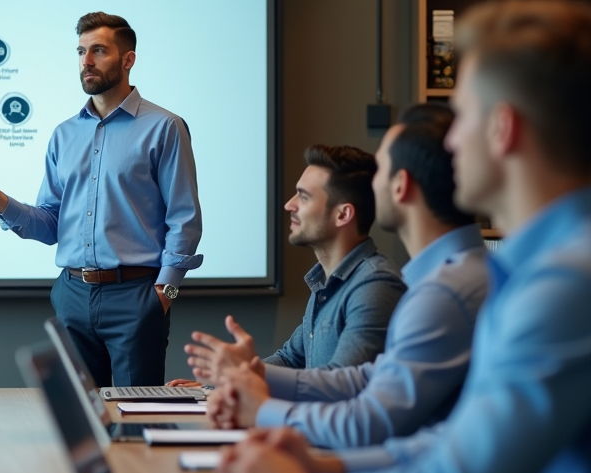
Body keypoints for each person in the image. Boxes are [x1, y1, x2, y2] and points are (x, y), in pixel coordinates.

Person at [217, 0, 591, 473]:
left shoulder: (562, 287)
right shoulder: (529, 274)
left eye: (461, 116)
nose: (451, 140)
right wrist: (325, 469)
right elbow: (454, 443)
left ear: (503, 129)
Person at [205, 105, 488, 448]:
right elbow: (365, 380)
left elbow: (368, 414)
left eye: (381, 168)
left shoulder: (435, 292)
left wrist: (261, 407)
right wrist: (243, 377)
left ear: (400, 185)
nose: (289, 205)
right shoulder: (434, 283)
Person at [0, 12, 203, 388]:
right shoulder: (63, 135)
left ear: (128, 60)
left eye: (99, 50)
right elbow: (51, 223)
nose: (87, 61)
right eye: (81, 51)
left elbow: (184, 219)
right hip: (72, 295)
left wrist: (164, 294)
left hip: (136, 296)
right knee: (83, 414)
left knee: (139, 412)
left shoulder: (165, 127)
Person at [169, 145, 405, 386]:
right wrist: (221, 383)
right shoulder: (325, 284)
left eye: (304, 197)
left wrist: (243, 377)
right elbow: (291, 359)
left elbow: (341, 384)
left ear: (343, 215)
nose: (289, 205)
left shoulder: (375, 285)